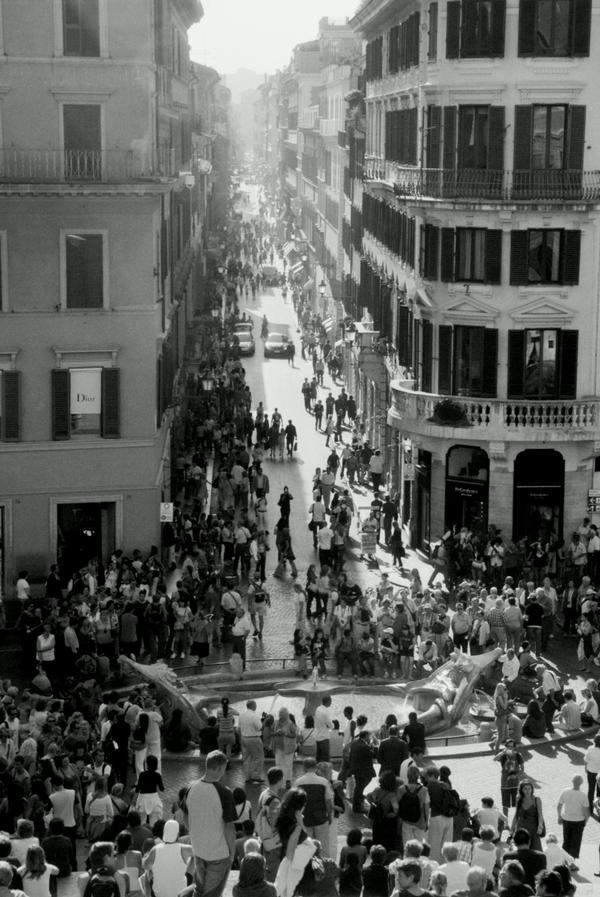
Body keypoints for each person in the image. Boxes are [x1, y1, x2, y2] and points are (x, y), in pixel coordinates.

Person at [186, 750, 237, 897]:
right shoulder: (225, 793)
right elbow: (229, 827)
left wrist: (195, 833)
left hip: (198, 849)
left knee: (199, 890)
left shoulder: (191, 788)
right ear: (220, 768)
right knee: (212, 894)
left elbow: (185, 815)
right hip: (218, 854)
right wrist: (232, 854)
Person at [141, 819, 193, 897]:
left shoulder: (155, 849)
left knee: (147, 874)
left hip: (159, 894)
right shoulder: (185, 849)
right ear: (177, 834)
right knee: (196, 859)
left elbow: (145, 865)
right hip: (180, 894)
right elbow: (201, 853)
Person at [294, 758, 333, 854]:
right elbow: (328, 801)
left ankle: (308, 867)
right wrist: (329, 815)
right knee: (323, 846)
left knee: (307, 847)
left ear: (304, 768)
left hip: (305, 819)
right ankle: (324, 865)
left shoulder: (298, 782)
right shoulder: (323, 782)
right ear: (316, 768)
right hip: (321, 818)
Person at [556, 774, 589, 860]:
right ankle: (572, 862)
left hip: (566, 819)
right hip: (578, 821)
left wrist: (559, 816)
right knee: (576, 842)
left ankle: (564, 860)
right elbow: (586, 811)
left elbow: (559, 806)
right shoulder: (583, 795)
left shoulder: (565, 791)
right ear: (581, 783)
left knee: (566, 840)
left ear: (572, 781)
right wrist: (585, 821)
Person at [510, 782, 545, 851]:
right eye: (525, 789)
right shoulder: (519, 799)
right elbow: (516, 814)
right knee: (521, 850)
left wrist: (540, 825)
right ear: (521, 790)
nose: (528, 791)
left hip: (533, 828)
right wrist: (512, 829)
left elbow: (540, 814)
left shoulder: (536, 799)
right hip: (521, 827)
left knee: (536, 848)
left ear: (532, 789)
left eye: (529, 789)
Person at [348, 730, 376, 815]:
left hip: (356, 769)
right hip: (363, 770)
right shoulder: (364, 746)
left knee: (359, 786)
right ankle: (357, 806)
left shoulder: (355, 743)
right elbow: (373, 755)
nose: (369, 738)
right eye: (369, 736)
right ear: (366, 736)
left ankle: (359, 798)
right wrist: (374, 746)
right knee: (359, 787)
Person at [239, 700, 265, 784]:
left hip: (244, 738)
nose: (256, 706)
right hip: (254, 738)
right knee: (258, 757)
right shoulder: (254, 715)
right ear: (253, 706)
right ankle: (255, 776)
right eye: (256, 705)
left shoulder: (241, 715)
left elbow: (239, 727)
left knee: (246, 758)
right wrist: (265, 721)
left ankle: (247, 777)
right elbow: (260, 728)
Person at [583, 732, 600, 811]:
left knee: (591, 790)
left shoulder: (590, 748)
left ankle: (590, 808)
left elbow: (586, 760)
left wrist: (585, 768)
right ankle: (598, 808)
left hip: (591, 771)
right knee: (599, 792)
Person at [314, 696, 333, 762]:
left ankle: (317, 771)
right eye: (331, 701)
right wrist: (331, 726)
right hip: (324, 737)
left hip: (318, 736)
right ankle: (326, 771)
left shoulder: (318, 709)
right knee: (326, 758)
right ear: (328, 702)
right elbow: (331, 725)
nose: (331, 703)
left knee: (318, 757)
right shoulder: (326, 712)